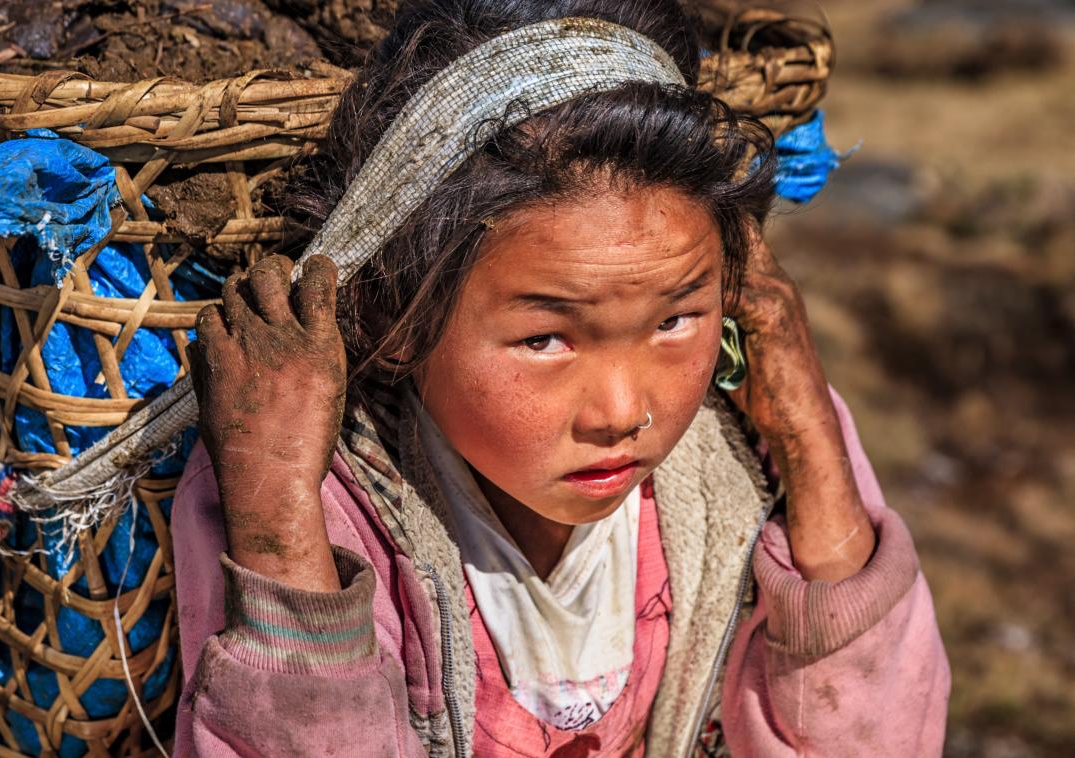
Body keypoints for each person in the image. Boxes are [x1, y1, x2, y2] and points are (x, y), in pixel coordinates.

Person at [170, 0, 950, 755]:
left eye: (676, 321)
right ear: (396, 319)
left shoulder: (744, 454)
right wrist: (276, 508)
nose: (623, 411)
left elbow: (882, 736)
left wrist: (806, 423)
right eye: (545, 338)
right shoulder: (308, 494)